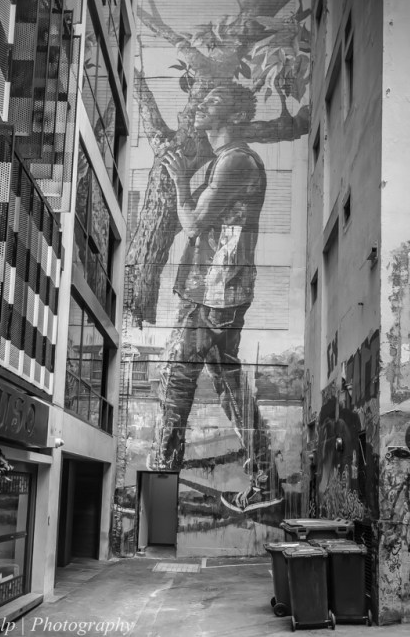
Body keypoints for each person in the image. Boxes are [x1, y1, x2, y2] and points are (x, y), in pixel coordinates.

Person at [146, 81, 282, 512]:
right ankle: (265, 480)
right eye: (202, 98)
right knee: (228, 384)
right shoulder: (229, 160)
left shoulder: (236, 161)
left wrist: (181, 180)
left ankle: (160, 492)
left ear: (236, 116)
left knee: (176, 380)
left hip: (214, 291)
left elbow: (193, 222)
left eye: (214, 100)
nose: (203, 104)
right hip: (215, 289)